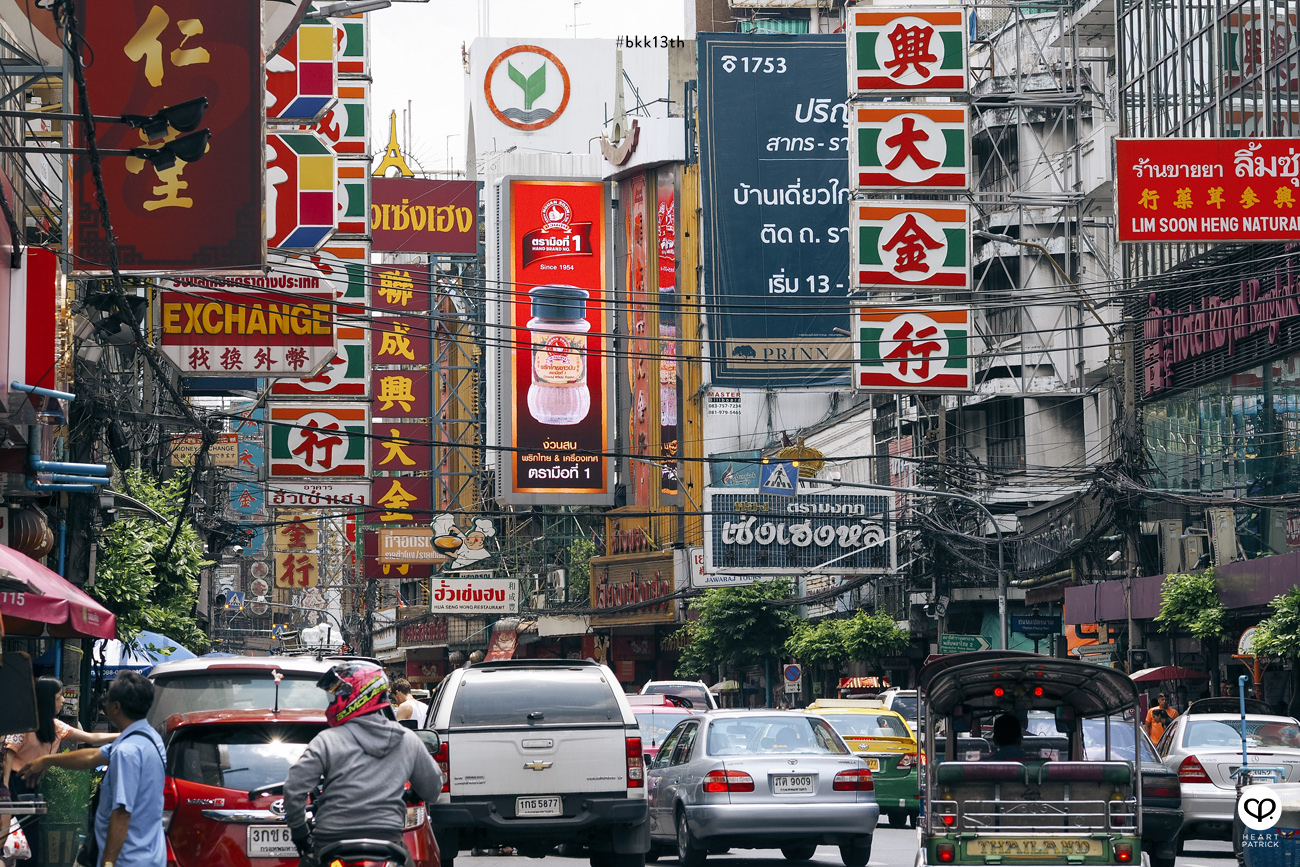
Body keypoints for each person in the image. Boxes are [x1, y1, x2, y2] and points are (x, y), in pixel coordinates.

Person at [284, 661, 442, 864]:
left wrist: (301, 836)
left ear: (359, 696)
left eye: (339, 695)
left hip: (330, 842)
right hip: (388, 842)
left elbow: (293, 789)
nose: (333, 701)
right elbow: (432, 789)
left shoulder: (327, 741)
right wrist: (412, 794)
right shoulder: (407, 740)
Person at [22, 671, 165, 867]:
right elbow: (91, 756)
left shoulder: (127, 751)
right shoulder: (147, 738)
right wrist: (48, 760)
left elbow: (122, 812)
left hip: (128, 858)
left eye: (107, 698)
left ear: (116, 707)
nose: (103, 703)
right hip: (148, 852)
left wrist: (108, 862)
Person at [2, 677, 118, 867]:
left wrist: (126, 733)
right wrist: (5, 789)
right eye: (59, 696)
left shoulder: (55, 726)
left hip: (33, 786)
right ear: (48, 699)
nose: (63, 700)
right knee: (13, 839)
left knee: (27, 840)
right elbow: (9, 754)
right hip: (15, 785)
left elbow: (91, 736)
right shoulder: (25, 722)